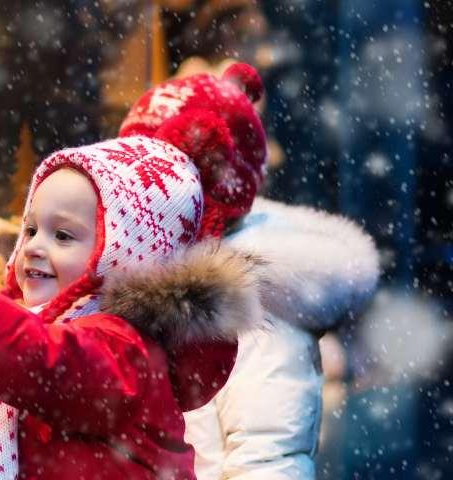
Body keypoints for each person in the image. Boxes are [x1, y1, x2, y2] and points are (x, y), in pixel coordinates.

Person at [0, 128, 261, 478]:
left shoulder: (124, 348)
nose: (35, 247)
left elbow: (40, 361)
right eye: (31, 229)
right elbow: (40, 407)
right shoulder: (64, 331)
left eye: (62, 236)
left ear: (122, 254)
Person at [119, 63, 380, 479]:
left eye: (145, 171)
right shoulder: (143, 273)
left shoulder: (254, 300)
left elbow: (268, 461)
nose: (126, 190)